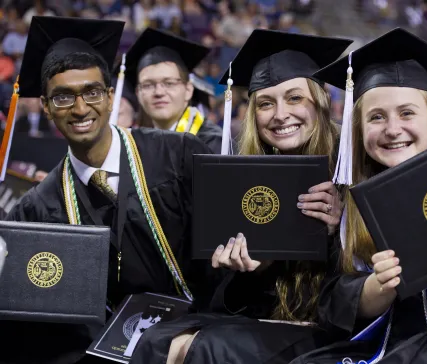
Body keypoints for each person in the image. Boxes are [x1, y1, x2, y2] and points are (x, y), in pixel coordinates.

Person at [4, 16, 220, 364]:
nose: (79, 109)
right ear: (44, 106)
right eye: (62, 97)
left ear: (109, 96)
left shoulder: (179, 155)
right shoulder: (37, 208)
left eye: (91, 92)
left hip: (197, 338)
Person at [130, 29, 353, 364]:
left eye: (295, 98)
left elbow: (363, 283)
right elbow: (239, 299)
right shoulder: (248, 180)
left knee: (202, 348)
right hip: (270, 320)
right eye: (265, 103)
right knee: (156, 341)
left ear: (321, 100)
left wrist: (341, 228)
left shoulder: (350, 169)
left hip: (332, 328)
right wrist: (252, 269)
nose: (280, 115)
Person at [290, 28, 427, 364]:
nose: (392, 129)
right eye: (376, 117)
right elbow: (332, 300)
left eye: (407, 113)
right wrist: (375, 290)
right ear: (358, 130)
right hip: (395, 343)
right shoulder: (347, 204)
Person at [123, 27, 223, 153]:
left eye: (169, 83)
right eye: (148, 85)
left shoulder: (213, 144)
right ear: (138, 93)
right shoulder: (133, 147)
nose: (159, 92)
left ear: (188, 90)